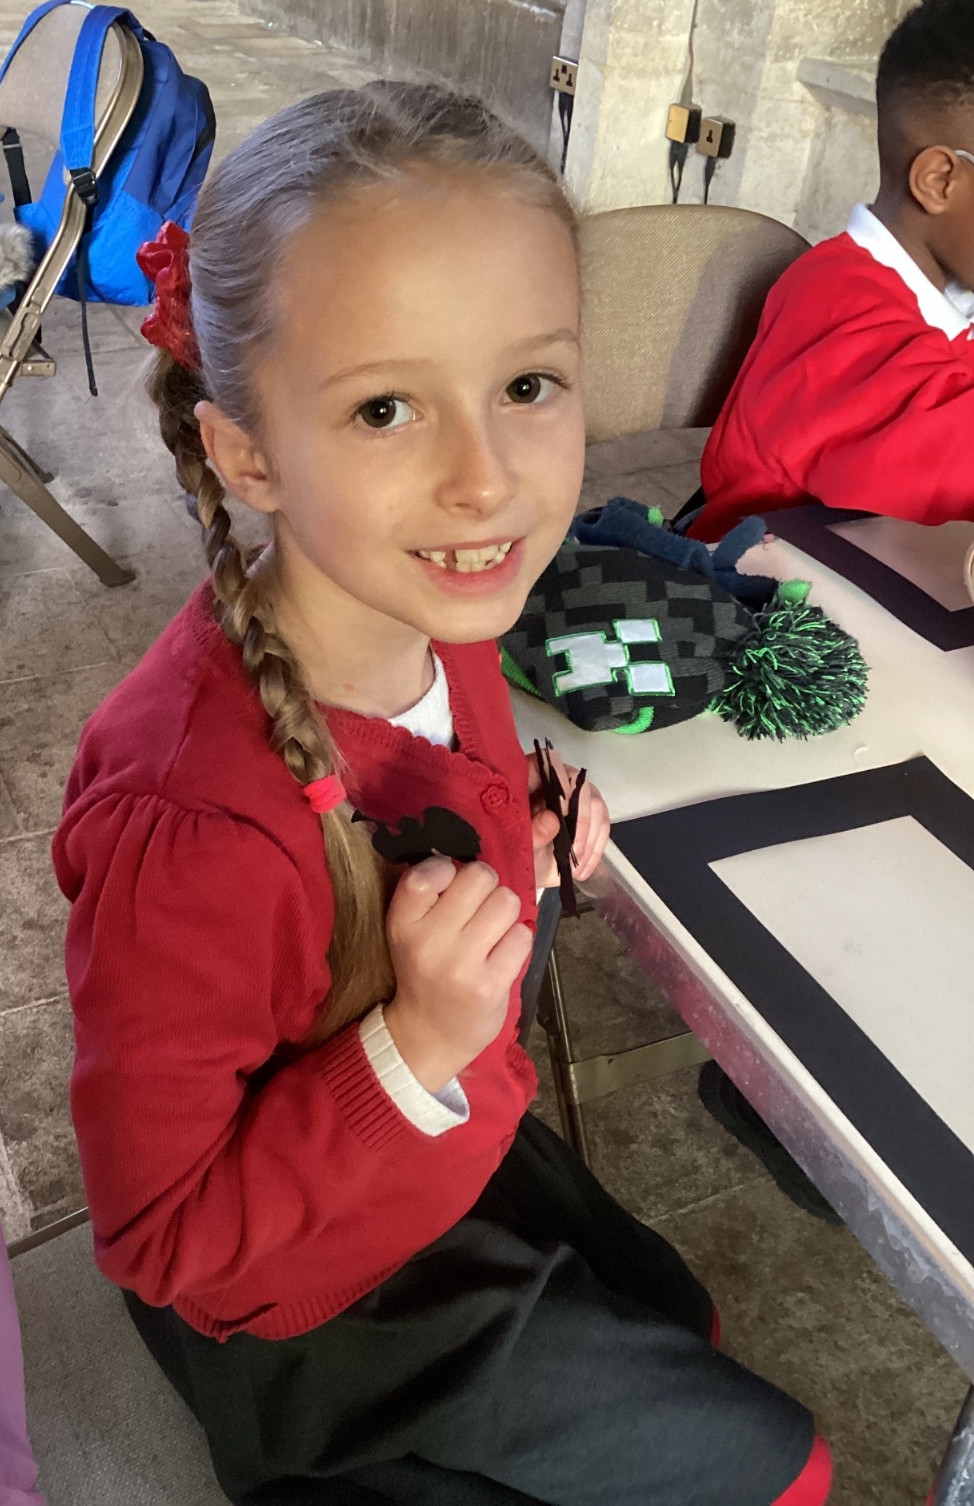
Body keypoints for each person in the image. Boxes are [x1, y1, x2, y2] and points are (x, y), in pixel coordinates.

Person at [54, 83, 832, 1506]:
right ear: (246, 454)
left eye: (528, 386)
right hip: (310, 1308)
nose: (488, 483)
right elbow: (163, 1239)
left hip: (449, 1153)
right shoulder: (193, 828)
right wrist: (411, 1045)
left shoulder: (444, 618)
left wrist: (511, 838)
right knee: (781, 1473)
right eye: (386, 408)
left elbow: (408, 814)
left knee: (684, 1321)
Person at [692, 0, 974, 543]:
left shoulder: (942, 286)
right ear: (940, 181)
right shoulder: (839, 315)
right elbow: (946, 459)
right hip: (753, 587)